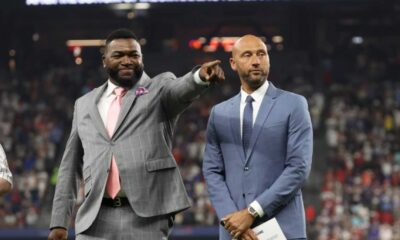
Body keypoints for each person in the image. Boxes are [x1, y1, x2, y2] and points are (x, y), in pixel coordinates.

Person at [48, 28, 225, 240]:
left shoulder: (158, 88)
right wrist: (59, 222)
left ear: (141, 59)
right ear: (104, 60)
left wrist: (199, 78)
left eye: (134, 55)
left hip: (145, 218)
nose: (127, 61)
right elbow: (69, 167)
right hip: (94, 219)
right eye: (118, 55)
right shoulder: (84, 104)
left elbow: (180, 89)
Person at [203, 35, 313, 240]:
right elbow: (212, 171)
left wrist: (251, 212)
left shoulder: (294, 105)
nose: (256, 60)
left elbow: (298, 168)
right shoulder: (219, 113)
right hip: (234, 233)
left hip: (283, 231)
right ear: (233, 64)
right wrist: (233, 220)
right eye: (247, 55)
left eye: (261, 54)